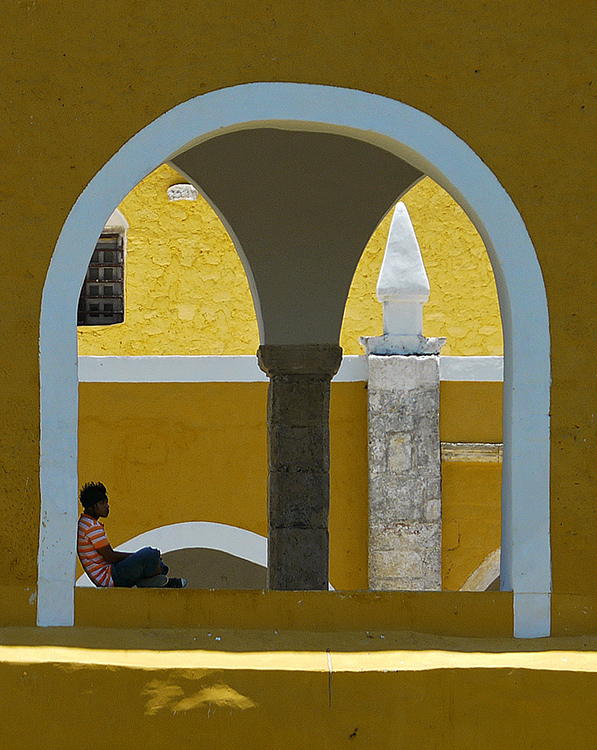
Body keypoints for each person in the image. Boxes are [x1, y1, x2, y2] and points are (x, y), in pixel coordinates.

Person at [77, 482, 186, 588]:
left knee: (158, 562)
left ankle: (150, 582)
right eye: (103, 503)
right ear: (94, 506)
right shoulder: (91, 526)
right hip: (110, 577)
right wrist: (135, 556)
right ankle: (154, 582)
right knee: (151, 554)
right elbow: (110, 556)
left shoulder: (85, 522)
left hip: (109, 573)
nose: (107, 506)